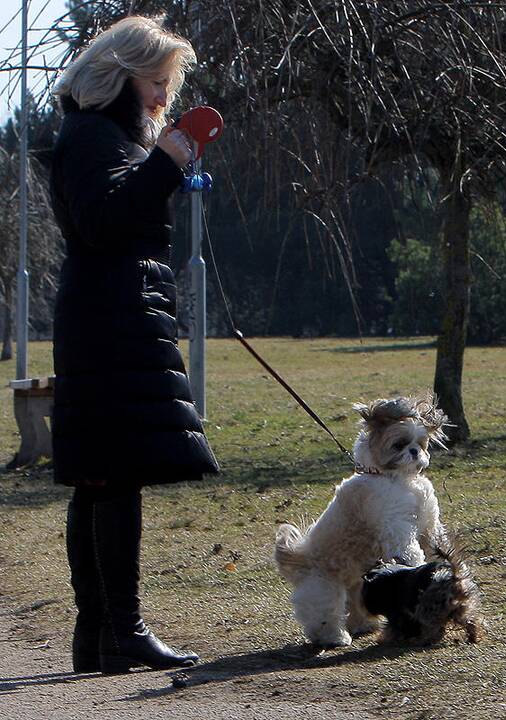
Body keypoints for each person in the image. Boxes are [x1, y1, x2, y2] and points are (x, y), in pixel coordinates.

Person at [49, 15, 220, 674]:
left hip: (112, 317)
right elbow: (105, 220)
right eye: (154, 82)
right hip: (111, 320)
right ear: (118, 76)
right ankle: (122, 629)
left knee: (100, 477)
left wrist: (160, 162)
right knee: (113, 474)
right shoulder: (94, 137)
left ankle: (99, 635)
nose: (161, 98)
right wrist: (168, 163)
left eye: (167, 86)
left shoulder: (99, 135)